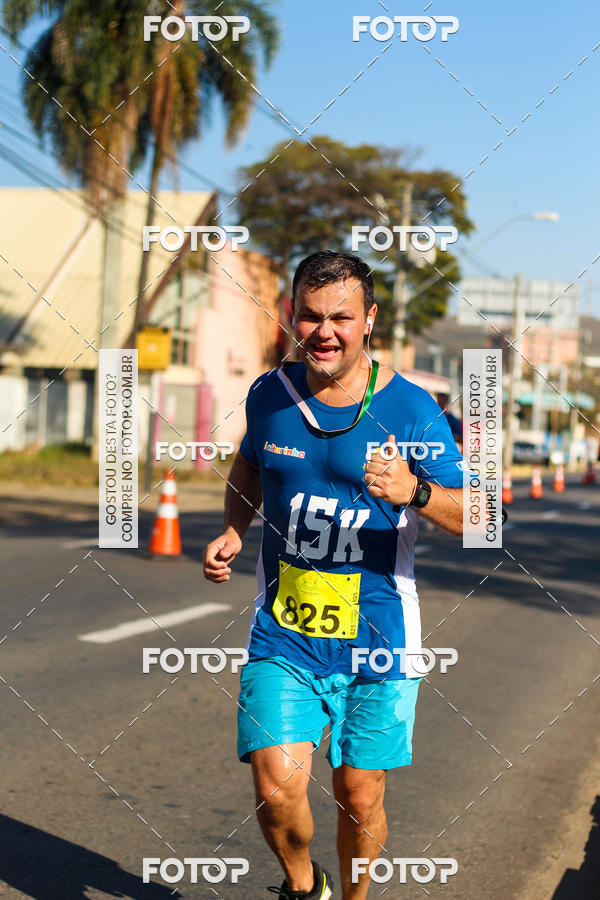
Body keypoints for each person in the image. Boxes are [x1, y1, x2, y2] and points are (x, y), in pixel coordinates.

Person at [203, 251, 465, 899]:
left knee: (360, 794)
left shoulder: (412, 410)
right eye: (311, 316)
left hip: (381, 637)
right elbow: (250, 468)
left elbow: (487, 515)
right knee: (275, 787)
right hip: (285, 633)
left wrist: (416, 491)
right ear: (293, 315)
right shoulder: (270, 394)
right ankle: (303, 886)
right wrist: (236, 527)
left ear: (369, 319)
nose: (324, 331)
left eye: (341, 317)